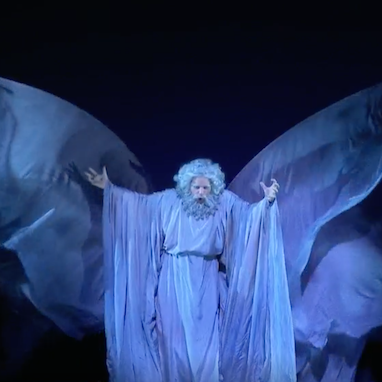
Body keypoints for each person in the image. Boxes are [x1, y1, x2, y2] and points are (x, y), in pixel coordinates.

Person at [85, 159, 295, 382]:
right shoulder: (169, 200)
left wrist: (266, 203)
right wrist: (110, 189)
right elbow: (138, 207)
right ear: (187, 186)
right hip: (173, 278)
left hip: (206, 277)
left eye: (206, 187)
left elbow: (248, 217)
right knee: (172, 338)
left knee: (205, 341)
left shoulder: (223, 202)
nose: (201, 193)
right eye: (196, 187)